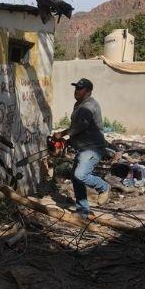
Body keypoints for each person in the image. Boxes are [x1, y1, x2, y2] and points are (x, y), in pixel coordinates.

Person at [52, 78, 110, 219]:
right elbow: (81, 130)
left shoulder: (88, 106)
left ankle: (104, 187)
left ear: (88, 91)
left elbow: (82, 125)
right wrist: (68, 142)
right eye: (76, 88)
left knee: (80, 175)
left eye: (80, 88)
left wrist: (63, 133)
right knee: (76, 178)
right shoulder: (79, 105)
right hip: (83, 148)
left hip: (92, 148)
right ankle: (82, 212)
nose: (76, 91)